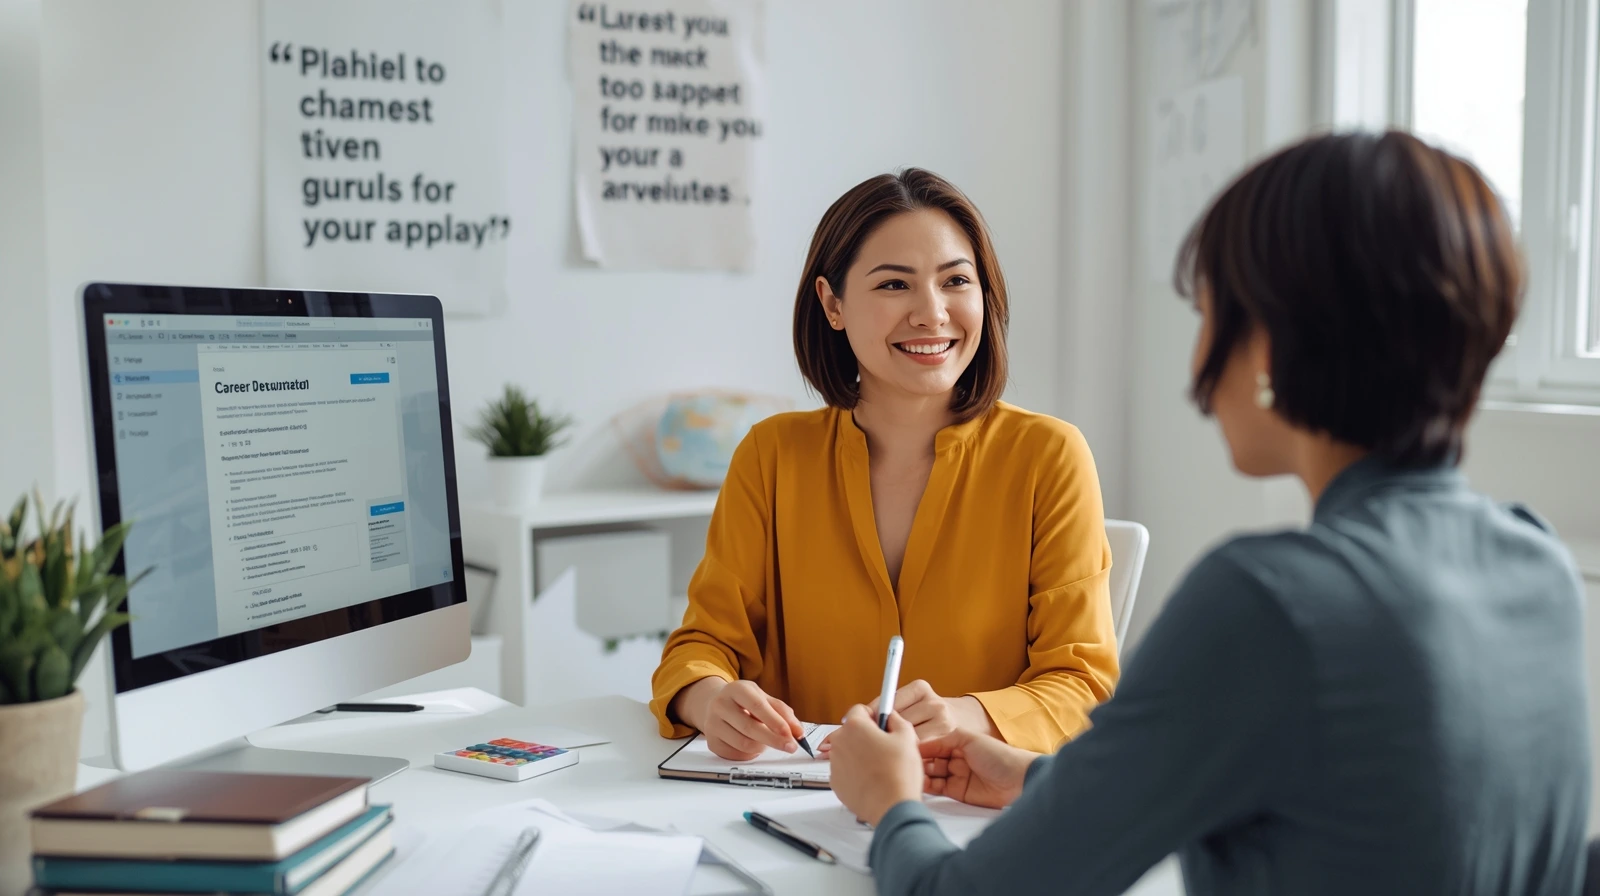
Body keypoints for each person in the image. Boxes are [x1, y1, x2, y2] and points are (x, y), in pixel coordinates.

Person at [826, 131, 1593, 895]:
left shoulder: (1266, 603)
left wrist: (892, 805)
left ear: (1273, 343)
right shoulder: (1537, 564)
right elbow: (1355, 817)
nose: (1198, 362)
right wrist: (1044, 782)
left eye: (1208, 313)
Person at [649, 169, 1119, 759]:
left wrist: (963, 716)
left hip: (970, 810)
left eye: (956, 281)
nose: (932, 313)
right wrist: (709, 698)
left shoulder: (1049, 457)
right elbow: (702, 645)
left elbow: (1083, 685)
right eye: (895, 285)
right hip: (793, 808)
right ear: (832, 303)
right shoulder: (771, 456)